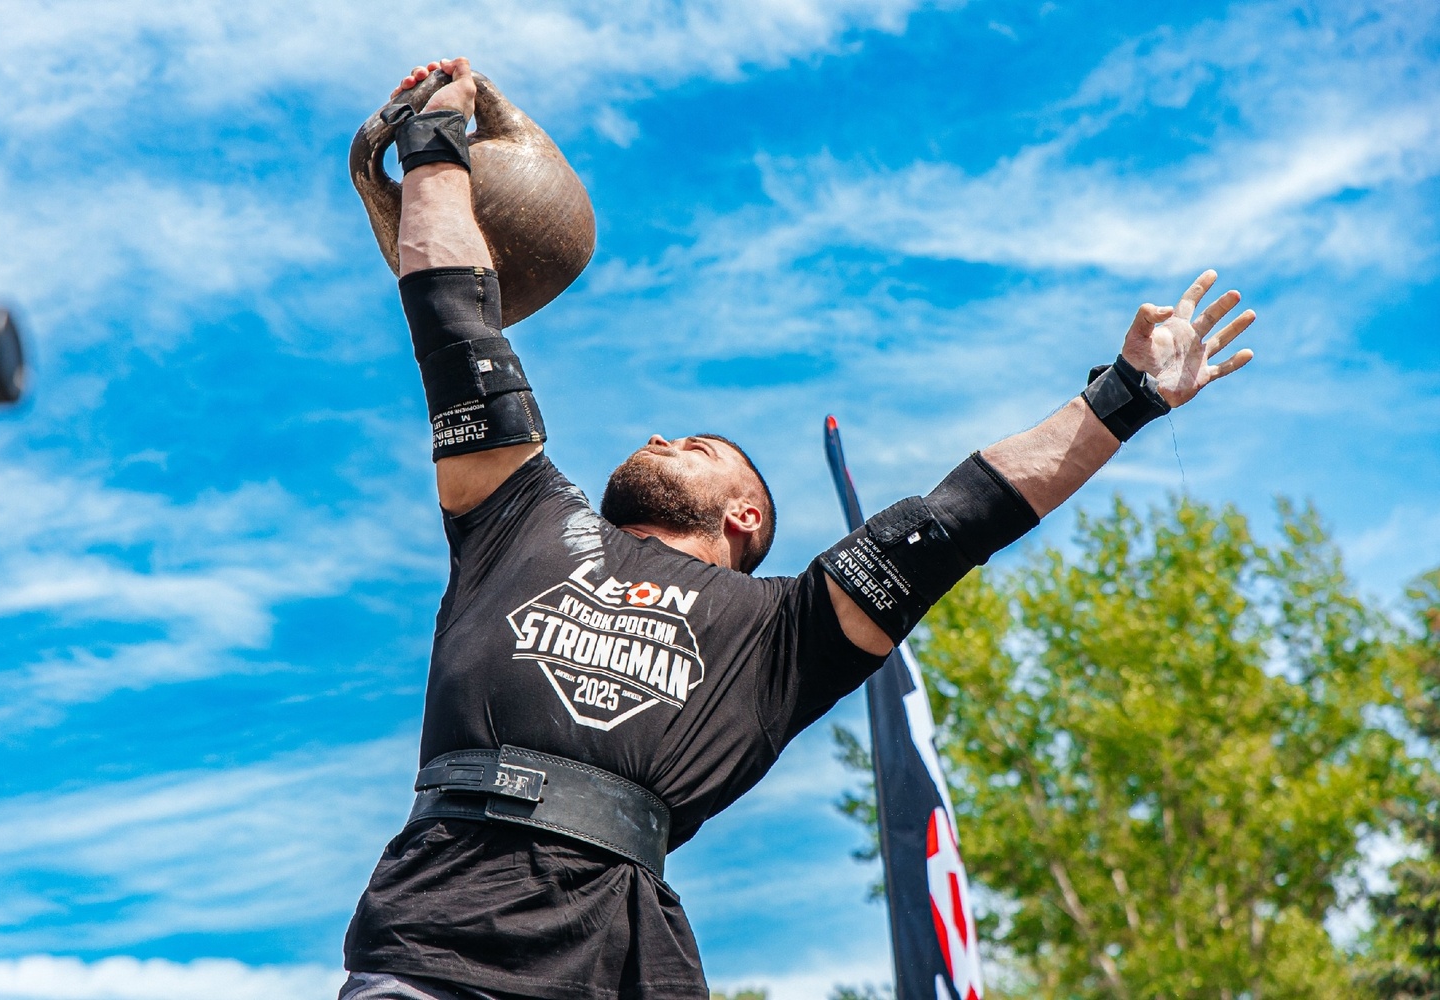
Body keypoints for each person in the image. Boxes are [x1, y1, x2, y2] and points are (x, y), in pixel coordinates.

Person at [339, 58, 1256, 1000]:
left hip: (619, 963)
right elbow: (458, 330)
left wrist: (1125, 395)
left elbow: (956, 520)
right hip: (433, 939)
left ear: (744, 515)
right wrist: (433, 140)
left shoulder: (782, 634)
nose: (657, 437)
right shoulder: (520, 521)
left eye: (696, 445)